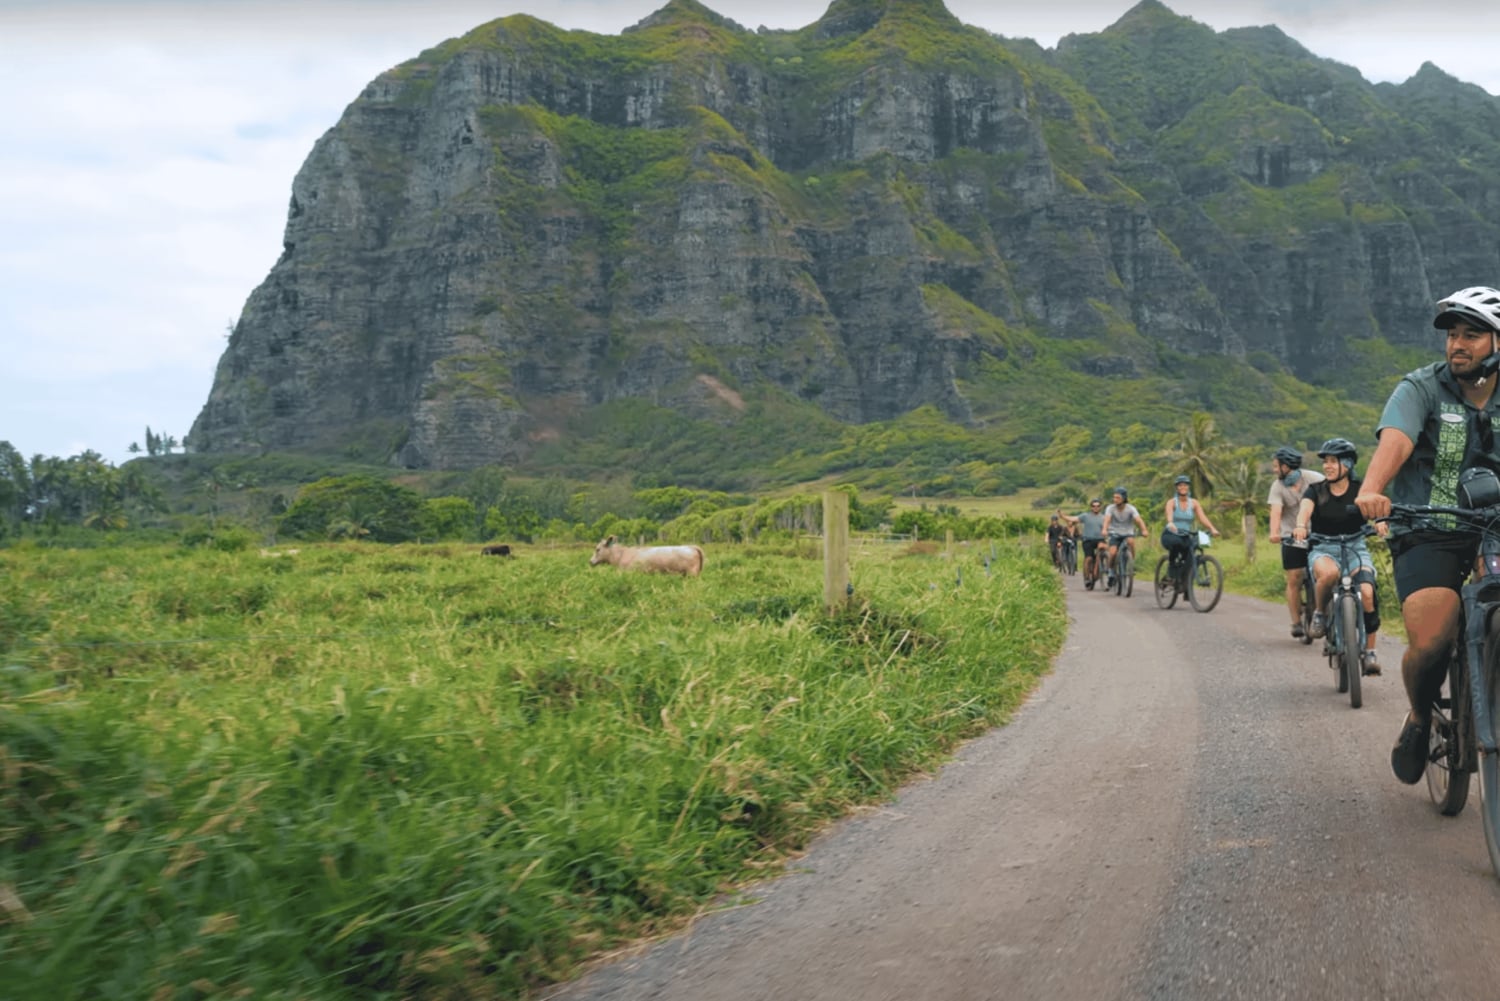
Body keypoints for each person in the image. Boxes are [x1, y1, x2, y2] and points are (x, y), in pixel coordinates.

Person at [1354, 286, 1500, 784]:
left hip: (1495, 529)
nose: (1457, 344)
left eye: (1472, 335)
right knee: (1433, 631)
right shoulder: (1420, 388)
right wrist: (1372, 489)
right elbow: (1396, 440)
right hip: (1428, 527)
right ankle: (1420, 717)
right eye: (1453, 335)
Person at [1293, 438, 1383, 674]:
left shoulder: (1360, 490)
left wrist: (1381, 522)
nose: (1327, 466)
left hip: (1356, 548)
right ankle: (1320, 613)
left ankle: (1371, 652)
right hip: (1323, 547)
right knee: (1329, 574)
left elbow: (1376, 511)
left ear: (1347, 464)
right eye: (1326, 462)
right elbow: (1304, 511)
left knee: (1367, 593)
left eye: (1333, 461)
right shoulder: (1315, 491)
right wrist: (1301, 526)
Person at [1267, 445, 1326, 639]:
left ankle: (1322, 613)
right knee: (1295, 577)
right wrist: (1274, 532)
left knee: (1323, 573)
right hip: (1290, 536)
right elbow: (1276, 511)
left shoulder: (1314, 479)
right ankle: (1296, 621)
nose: (1275, 470)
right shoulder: (1277, 486)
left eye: (1277, 466)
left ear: (1287, 466)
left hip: (1317, 533)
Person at [1160, 475, 1220, 585]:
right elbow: (1169, 514)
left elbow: (1202, 517)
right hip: (1171, 533)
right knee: (1176, 543)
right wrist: (1170, 522)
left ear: (1188, 487)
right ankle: (1171, 572)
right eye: (1180, 485)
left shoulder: (1194, 503)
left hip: (1186, 534)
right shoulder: (1172, 502)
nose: (1183, 487)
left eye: (1185, 485)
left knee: (1192, 552)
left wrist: (1212, 528)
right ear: (1177, 488)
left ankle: (1186, 582)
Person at [1102, 486, 1147, 585]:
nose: (1115, 500)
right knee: (1113, 553)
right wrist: (1105, 529)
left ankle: (1131, 563)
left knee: (1131, 542)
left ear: (1124, 498)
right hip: (1114, 533)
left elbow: (1138, 520)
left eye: (1118, 498)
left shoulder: (1131, 509)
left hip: (1128, 533)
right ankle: (1111, 571)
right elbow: (1107, 519)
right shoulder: (1110, 508)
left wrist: (1144, 530)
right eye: (1114, 498)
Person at [1060, 499, 1107, 589]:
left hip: (1100, 540)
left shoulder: (1104, 517)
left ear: (1100, 507)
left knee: (1100, 555)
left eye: (1098, 506)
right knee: (1088, 558)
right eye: (1094, 506)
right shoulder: (1085, 516)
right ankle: (1086, 578)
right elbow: (1073, 519)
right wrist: (1062, 516)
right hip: (1088, 540)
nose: (1096, 508)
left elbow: (1110, 527)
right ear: (1091, 507)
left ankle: (1101, 570)